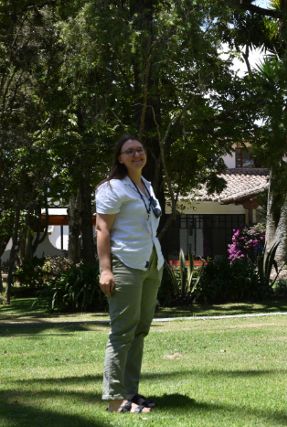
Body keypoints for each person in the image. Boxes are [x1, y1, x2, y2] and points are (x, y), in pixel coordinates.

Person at [95, 135, 164, 413]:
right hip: (125, 263)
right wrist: (105, 270)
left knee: (140, 330)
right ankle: (114, 400)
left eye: (140, 150)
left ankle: (130, 393)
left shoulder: (146, 186)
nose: (137, 154)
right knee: (122, 332)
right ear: (120, 158)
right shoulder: (112, 188)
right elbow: (102, 230)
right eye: (129, 151)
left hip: (151, 264)